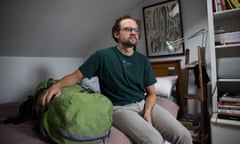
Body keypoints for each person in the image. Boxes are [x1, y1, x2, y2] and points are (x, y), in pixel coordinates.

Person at [41, 15, 192, 144]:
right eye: (128, 29)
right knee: (154, 140)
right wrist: (57, 85)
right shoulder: (102, 56)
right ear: (116, 34)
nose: (133, 32)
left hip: (143, 103)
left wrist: (147, 112)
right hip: (119, 109)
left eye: (135, 30)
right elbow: (76, 76)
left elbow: (152, 93)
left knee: (184, 136)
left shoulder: (143, 60)